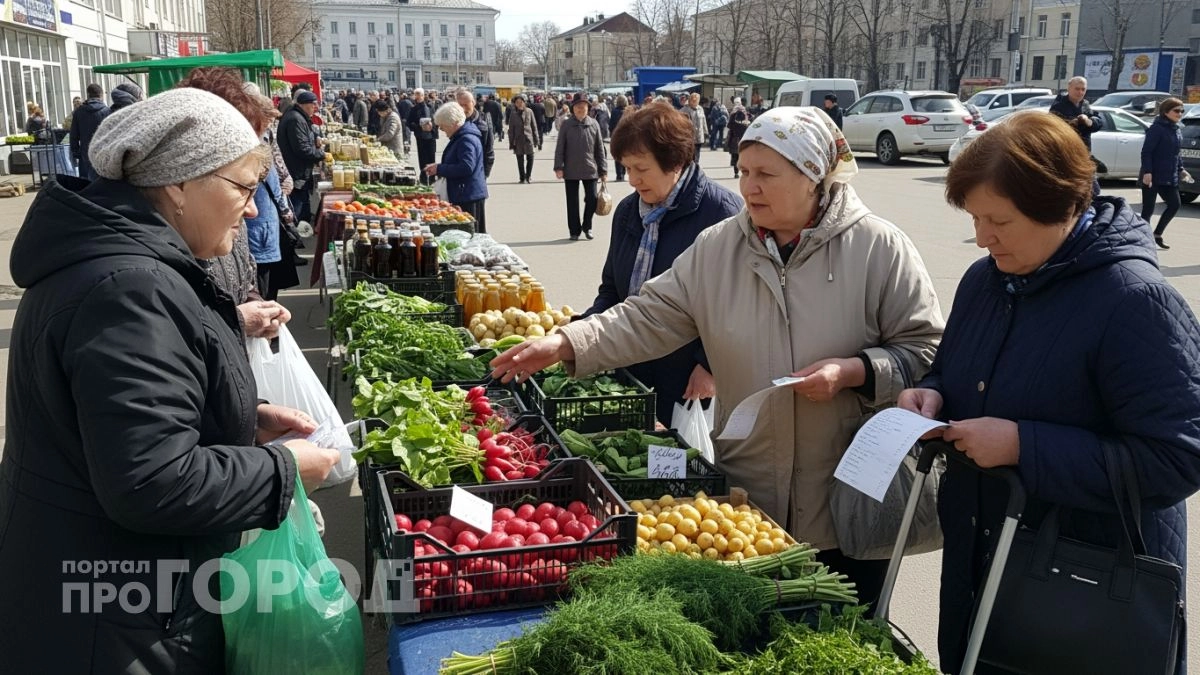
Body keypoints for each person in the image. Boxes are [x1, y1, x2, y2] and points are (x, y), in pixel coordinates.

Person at [493, 107, 944, 609]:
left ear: (812, 175)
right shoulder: (719, 248)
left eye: (766, 174)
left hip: (848, 494)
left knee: (847, 625)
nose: (749, 187)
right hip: (749, 496)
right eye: (744, 171)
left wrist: (854, 372)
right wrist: (567, 343)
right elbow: (648, 314)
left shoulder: (878, 248)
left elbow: (927, 351)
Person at [0, 86, 341, 674]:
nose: (252, 209)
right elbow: (151, 480)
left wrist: (244, 416)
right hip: (113, 620)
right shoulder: (130, 288)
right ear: (180, 184)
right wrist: (284, 469)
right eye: (242, 187)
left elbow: (132, 413)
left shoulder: (127, 264)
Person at [897, 110, 1200, 674]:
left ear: (1062, 204)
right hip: (982, 561)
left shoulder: (1135, 301)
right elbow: (962, 371)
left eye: (999, 221)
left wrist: (1023, 446)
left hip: (1085, 591)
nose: (982, 237)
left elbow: (1178, 458)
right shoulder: (986, 280)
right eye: (975, 218)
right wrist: (933, 393)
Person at [583, 103, 743, 425]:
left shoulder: (723, 214)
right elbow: (612, 289)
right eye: (627, 168)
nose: (632, 180)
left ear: (675, 161)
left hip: (687, 374)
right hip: (631, 363)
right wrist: (582, 334)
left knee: (680, 451)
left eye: (641, 169)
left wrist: (709, 365)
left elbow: (738, 307)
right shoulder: (628, 212)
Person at [177, 68, 294, 338]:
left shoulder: (222, 223)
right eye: (241, 186)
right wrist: (236, 321)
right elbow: (178, 336)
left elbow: (243, 277)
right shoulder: (137, 276)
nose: (251, 209)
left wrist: (255, 303)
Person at [423, 102, 488, 233]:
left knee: (469, 234)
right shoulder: (462, 136)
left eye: (443, 126)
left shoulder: (466, 139)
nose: (442, 130)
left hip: (468, 195)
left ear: (453, 123)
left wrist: (439, 169)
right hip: (465, 192)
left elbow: (466, 167)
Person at [554, 92, 608, 241]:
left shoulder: (594, 124)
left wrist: (603, 170)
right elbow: (560, 147)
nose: (580, 109)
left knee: (592, 199)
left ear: (588, 108)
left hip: (590, 168)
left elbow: (600, 149)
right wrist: (559, 167)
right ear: (573, 108)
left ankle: (587, 226)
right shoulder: (567, 125)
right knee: (572, 202)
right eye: (578, 106)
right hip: (570, 169)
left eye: (583, 106)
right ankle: (574, 230)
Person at [1140, 97, 1189, 250]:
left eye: (1182, 111)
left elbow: (1176, 153)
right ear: (1166, 112)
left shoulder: (1176, 129)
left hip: (1169, 175)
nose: (1179, 114)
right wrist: (1147, 171)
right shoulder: (1156, 129)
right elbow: (1146, 152)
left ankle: (1157, 234)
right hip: (1153, 174)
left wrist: (1181, 169)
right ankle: (1142, 239)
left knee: (1175, 205)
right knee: (1148, 210)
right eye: (1176, 111)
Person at [1050, 75, 1103, 195]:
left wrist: (1089, 121)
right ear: (1069, 88)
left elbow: (1098, 123)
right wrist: (1072, 123)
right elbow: (1052, 128)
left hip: (1084, 153)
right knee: (1070, 190)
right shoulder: (1059, 106)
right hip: (1066, 154)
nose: (1080, 92)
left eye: (1083, 89)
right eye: (1077, 89)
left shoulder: (1085, 104)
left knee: (1093, 191)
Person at [278, 89, 324, 227]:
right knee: (297, 204)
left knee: (302, 202)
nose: (315, 108)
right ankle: (295, 232)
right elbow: (302, 149)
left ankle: (302, 227)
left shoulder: (298, 116)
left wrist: (315, 138)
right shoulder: (295, 119)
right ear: (303, 104)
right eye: (313, 104)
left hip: (298, 170)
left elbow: (305, 138)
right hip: (296, 171)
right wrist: (322, 154)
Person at [70, 83, 111, 180]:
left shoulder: (79, 112)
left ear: (88, 95)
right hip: (103, 153)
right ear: (101, 95)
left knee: (86, 184)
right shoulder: (107, 111)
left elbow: (74, 135)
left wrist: (76, 152)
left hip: (85, 154)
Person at [407, 88, 438, 186]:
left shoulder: (430, 106)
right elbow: (409, 123)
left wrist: (432, 126)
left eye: (419, 94)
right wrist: (419, 127)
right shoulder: (414, 109)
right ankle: (424, 178)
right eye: (416, 95)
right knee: (422, 158)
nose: (418, 97)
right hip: (420, 137)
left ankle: (432, 178)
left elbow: (436, 119)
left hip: (431, 136)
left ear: (423, 95)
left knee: (431, 157)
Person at [508, 94, 538, 184]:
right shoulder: (513, 114)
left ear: (524, 102)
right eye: (517, 102)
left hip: (528, 138)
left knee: (530, 157)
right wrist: (511, 142)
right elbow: (511, 129)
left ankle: (528, 176)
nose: (519, 104)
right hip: (518, 140)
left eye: (521, 102)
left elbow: (534, 126)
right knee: (520, 159)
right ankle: (522, 177)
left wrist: (536, 139)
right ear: (515, 104)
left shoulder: (529, 111)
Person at [726, 97, 750, 178]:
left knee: (735, 155)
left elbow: (729, 125)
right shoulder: (745, 112)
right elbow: (748, 124)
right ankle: (743, 171)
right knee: (742, 155)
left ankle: (736, 172)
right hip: (743, 137)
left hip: (735, 137)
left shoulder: (733, 113)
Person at [685, 93, 707, 164]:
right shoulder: (684, 110)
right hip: (689, 137)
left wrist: (705, 132)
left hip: (699, 136)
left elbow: (703, 121)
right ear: (690, 100)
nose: (695, 102)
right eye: (693, 100)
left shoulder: (700, 109)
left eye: (697, 100)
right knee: (690, 155)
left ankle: (696, 166)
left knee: (697, 154)